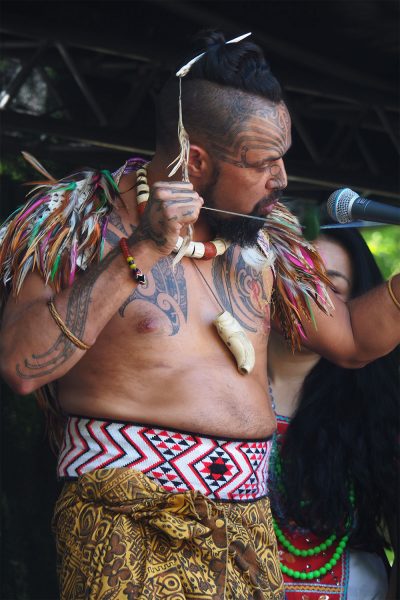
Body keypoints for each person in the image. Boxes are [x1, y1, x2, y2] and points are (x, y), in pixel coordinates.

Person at [0, 30, 399, 600]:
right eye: (263, 164)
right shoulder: (79, 223)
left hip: (248, 528)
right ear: (196, 160)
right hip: (126, 521)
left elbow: (355, 338)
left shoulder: (268, 244)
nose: (281, 181)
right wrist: (138, 250)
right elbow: (21, 366)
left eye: (282, 160)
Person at [267, 228, 399, 600]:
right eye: (296, 276)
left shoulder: (379, 415)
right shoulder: (215, 388)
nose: (306, 295)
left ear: (360, 310)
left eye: (332, 288)